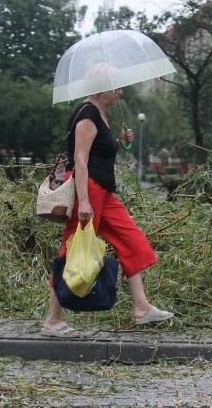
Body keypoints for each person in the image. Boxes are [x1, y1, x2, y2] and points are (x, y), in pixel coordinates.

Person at [42, 87, 174, 337]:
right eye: (117, 88)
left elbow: (99, 153)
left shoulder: (101, 114)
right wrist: (84, 201)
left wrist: (119, 142)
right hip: (88, 190)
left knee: (131, 239)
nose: (121, 92)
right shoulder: (87, 114)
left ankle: (141, 308)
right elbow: (80, 159)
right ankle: (52, 321)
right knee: (71, 250)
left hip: (104, 191)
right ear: (102, 88)